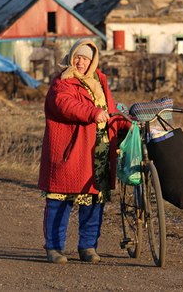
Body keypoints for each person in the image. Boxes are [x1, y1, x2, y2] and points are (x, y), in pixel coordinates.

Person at [38, 38, 127, 264]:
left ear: (92, 61)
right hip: (70, 150)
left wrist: (128, 124)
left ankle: (88, 247)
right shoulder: (63, 82)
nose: (81, 62)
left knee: (95, 198)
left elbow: (110, 110)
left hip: (99, 150)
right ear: (71, 57)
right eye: (78, 56)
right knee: (60, 200)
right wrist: (92, 112)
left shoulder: (99, 81)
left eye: (86, 58)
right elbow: (65, 105)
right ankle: (55, 248)